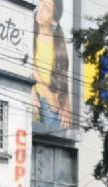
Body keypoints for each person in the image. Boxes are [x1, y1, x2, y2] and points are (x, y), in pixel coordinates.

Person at [32, 0, 72, 129]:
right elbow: (28, 65)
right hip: (36, 98)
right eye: (41, 4)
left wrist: (66, 108)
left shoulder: (58, 43)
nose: (41, 11)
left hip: (52, 107)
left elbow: (63, 78)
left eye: (47, 9)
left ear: (54, 20)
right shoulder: (29, 33)